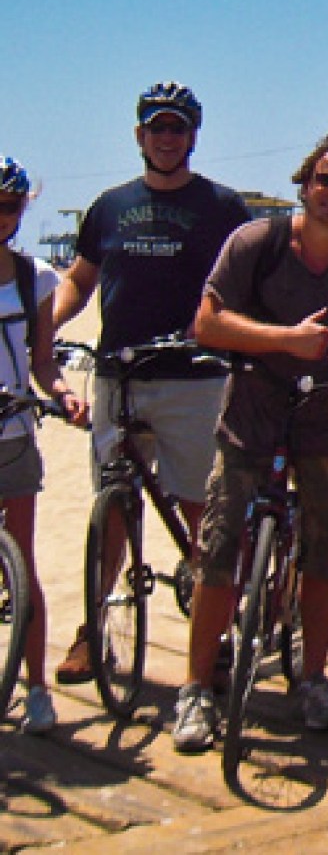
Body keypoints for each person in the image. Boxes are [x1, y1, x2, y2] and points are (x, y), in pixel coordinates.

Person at [172, 135, 328, 752]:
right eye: (324, 180)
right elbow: (208, 322)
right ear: (305, 185)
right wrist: (285, 340)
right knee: (219, 553)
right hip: (251, 420)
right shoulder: (258, 244)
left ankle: (311, 680)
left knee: (327, 558)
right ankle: (196, 689)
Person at [53, 82, 251, 684]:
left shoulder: (222, 207)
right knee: (111, 510)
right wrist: (45, 327)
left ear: (193, 135)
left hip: (195, 380)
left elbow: (248, 284)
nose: (167, 138)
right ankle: (95, 628)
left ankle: (213, 628)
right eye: (157, 127)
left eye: (178, 128)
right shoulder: (108, 206)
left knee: (201, 510)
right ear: (139, 135)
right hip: (119, 377)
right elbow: (79, 280)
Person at [0, 157, 88, 733]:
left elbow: (41, 364)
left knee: (23, 563)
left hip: (12, 433)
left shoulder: (36, 281)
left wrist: (62, 393)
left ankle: (36, 688)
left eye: (8, 206)